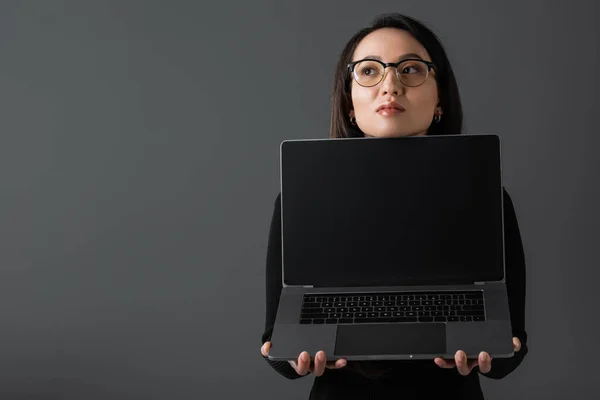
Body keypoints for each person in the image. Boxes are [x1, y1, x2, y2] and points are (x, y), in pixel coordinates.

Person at [260, 12, 528, 399]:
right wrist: (287, 357)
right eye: (369, 71)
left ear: (440, 100)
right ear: (349, 104)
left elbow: (511, 349)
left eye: (411, 69)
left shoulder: (488, 198)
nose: (391, 85)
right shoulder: (298, 201)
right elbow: (278, 348)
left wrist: (499, 353)